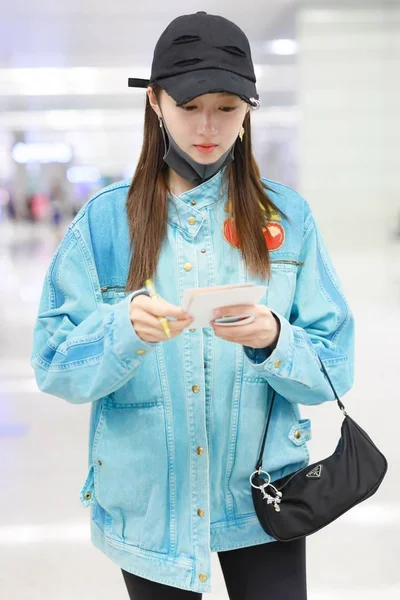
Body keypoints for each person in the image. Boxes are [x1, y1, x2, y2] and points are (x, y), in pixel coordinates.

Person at [30, 11, 355, 600]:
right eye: (189, 104)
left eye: (227, 107)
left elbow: (338, 363)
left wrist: (275, 340)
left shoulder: (288, 219)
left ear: (249, 110)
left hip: (264, 496)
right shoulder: (105, 224)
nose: (208, 125)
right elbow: (52, 363)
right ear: (155, 102)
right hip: (151, 500)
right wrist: (119, 329)